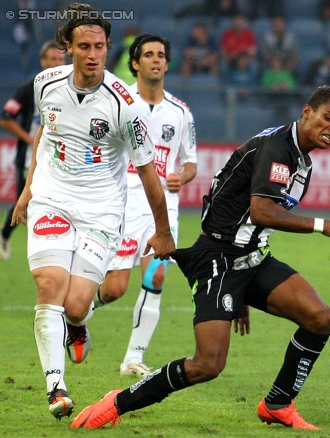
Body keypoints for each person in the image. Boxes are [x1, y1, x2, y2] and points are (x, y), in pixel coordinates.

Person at [71, 85, 330, 431]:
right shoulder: (278, 148)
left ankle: (278, 403)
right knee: (207, 365)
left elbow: (245, 214)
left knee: (319, 318)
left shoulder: (299, 158)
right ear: (307, 112)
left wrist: (241, 296)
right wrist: (323, 225)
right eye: (327, 117)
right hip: (218, 260)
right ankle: (116, 402)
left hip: (252, 258)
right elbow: (261, 212)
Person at [11, 3, 175, 420]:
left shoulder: (124, 106)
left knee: (77, 304)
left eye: (100, 46)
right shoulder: (45, 83)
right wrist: (29, 191)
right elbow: (47, 133)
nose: (93, 54)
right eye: (83, 46)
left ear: (107, 48)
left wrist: (163, 231)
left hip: (102, 211)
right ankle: (56, 388)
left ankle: (79, 324)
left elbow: (150, 176)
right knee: (50, 287)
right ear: (68, 47)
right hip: (52, 197)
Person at [93, 34, 197, 377]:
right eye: (148, 55)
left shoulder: (181, 112)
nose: (156, 60)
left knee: (156, 277)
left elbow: (190, 161)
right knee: (114, 289)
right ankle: (77, 314)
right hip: (123, 204)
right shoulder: (119, 103)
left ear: (167, 64)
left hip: (162, 208)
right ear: (135, 63)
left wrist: (183, 175)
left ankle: (132, 359)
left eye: (161, 55)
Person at [0, 41, 65, 261]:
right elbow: (6, 119)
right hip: (28, 157)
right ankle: (6, 233)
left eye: (61, 60)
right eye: (52, 59)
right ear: (43, 62)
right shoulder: (30, 89)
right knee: (23, 203)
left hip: (59, 158)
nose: (57, 64)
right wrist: (32, 140)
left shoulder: (70, 90)